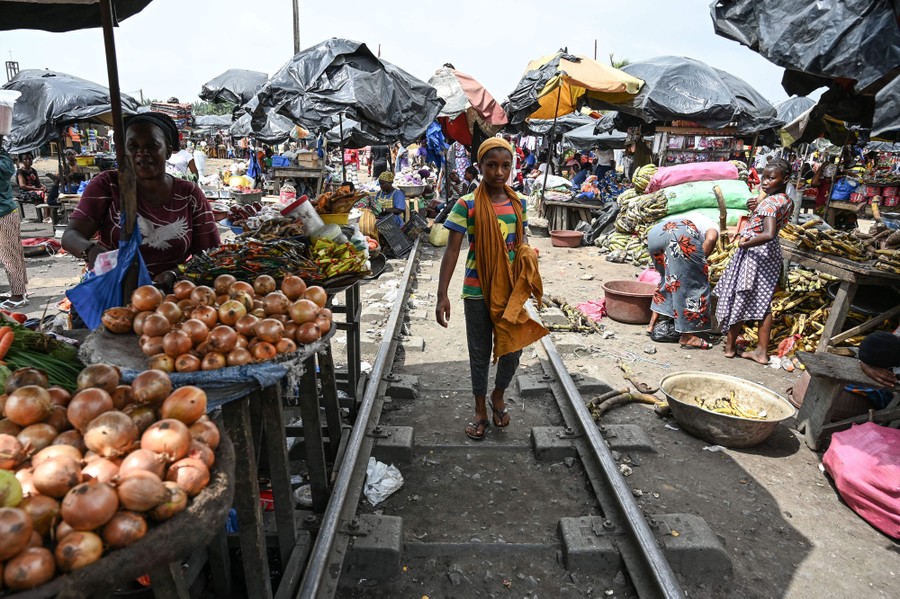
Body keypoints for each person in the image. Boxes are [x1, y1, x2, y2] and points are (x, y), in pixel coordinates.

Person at [436, 138, 548, 440]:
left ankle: (498, 394)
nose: (499, 172)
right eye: (492, 165)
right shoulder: (466, 205)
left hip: (510, 290)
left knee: (514, 348)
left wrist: (527, 257)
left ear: (512, 168)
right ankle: (480, 409)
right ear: (480, 167)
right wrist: (441, 294)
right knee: (479, 353)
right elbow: (452, 252)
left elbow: (521, 242)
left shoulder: (518, 203)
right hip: (477, 291)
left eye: (505, 166)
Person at [62, 112, 221, 287]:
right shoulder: (108, 185)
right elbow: (71, 235)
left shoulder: (189, 194)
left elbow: (209, 253)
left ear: (168, 151)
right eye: (133, 146)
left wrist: (174, 273)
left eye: (152, 146)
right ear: (123, 151)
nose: (142, 153)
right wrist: (91, 250)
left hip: (172, 295)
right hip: (114, 287)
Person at [714, 158, 794, 364]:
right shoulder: (786, 201)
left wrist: (744, 244)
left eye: (771, 178)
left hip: (754, 254)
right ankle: (761, 351)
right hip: (770, 255)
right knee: (764, 301)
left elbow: (767, 233)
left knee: (738, 296)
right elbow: (769, 226)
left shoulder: (769, 202)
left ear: (784, 179)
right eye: (764, 178)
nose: (764, 182)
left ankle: (730, 347)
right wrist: (756, 209)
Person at [646, 214, 720, 349]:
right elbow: (711, 238)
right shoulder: (713, 225)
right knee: (693, 284)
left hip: (655, 234)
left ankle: (651, 326)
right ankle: (689, 336)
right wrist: (697, 265)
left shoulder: (693, 217)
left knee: (668, 281)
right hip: (679, 233)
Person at [0, 141, 29, 309]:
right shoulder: (5, 159)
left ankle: (17, 295)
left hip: (3, 214)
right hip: (8, 211)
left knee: (9, 255)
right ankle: (20, 290)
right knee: (15, 253)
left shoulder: (4, 162)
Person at [16, 153, 50, 222]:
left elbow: (38, 183)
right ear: (22, 161)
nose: (28, 161)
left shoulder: (33, 170)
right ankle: (46, 217)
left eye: (30, 159)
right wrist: (38, 189)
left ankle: (47, 215)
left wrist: (43, 186)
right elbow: (23, 186)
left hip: (36, 190)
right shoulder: (20, 172)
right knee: (43, 194)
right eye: (25, 159)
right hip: (25, 192)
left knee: (49, 193)